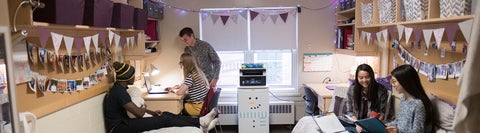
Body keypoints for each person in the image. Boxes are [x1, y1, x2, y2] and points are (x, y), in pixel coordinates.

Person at [103, 62, 218, 133]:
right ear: (128, 78)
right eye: (133, 75)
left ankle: (199, 121)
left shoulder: (120, 89)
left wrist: (152, 112)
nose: (135, 77)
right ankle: (200, 123)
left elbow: (134, 108)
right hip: (119, 128)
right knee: (163, 120)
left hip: (125, 123)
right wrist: (143, 108)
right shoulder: (118, 92)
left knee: (165, 114)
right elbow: (139, 113)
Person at [386, 65, 434, 133]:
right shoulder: (403, 98)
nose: (392, 85)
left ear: (404, 82)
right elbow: (398, 121)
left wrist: (397, 132)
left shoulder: (418, 104)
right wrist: (384, 126)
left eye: (394, 81)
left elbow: (418, 131)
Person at [342, 64, 388, 133]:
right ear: (357, 78)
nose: (364, 80)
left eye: (367, 77)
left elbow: (382, 113)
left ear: (372, 76)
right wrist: (357, 124)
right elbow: (350, 111)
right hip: (355, 122)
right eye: (361, 78)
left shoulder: (381, 91)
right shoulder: (352, 89)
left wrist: (369, 125)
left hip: (371, 125)